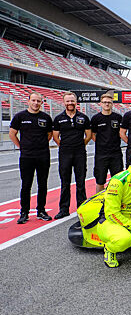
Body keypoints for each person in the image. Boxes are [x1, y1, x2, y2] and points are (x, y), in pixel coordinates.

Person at [9, 91, 53, 223]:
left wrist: (41, 145)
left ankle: (41, 210)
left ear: (41, 103)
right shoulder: (20, 116)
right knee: (26, 184)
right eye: (33, 100)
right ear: (28, 101)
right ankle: (24, 212)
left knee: (42, 184)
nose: (36, 103)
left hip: (43, 155)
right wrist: (21, 146)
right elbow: (12, 134)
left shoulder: (46, 117)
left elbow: (49, 135)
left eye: (38, 101)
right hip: (27, 156)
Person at [53, 92, 92, 219]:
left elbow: (88, 136)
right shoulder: (59, 118)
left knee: (80, 181)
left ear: (76, 102)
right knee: (65, 182)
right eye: (68, 101)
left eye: (72, 101)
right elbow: (55, 137)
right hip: (65, 153)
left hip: (80, 153)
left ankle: (82, 207)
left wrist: (80, 145)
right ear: (64, 103)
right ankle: (64, 209)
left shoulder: (84, 118)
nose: (70, 103)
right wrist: (65, 146)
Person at [90, 93, 123, 193]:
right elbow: (93, 135)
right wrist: (102, 144)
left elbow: (120, 132)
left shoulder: (118, 117)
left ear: (112, 104)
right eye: (104, 102)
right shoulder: (96, 118)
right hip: (101, 154)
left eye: (109, 102)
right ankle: (100, 203)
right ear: (101, 104)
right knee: (100, 181)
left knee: (118, 180)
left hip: (116, 153)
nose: (107, 104)